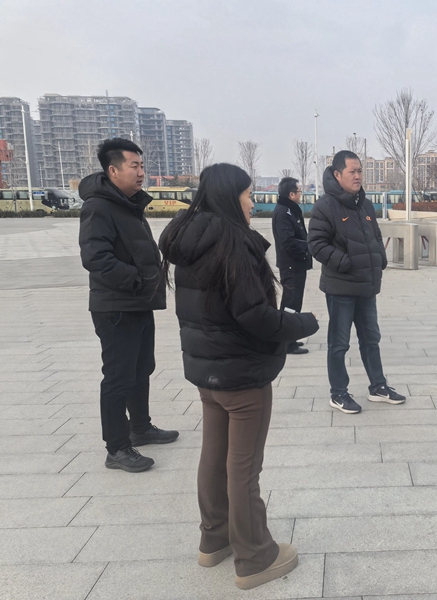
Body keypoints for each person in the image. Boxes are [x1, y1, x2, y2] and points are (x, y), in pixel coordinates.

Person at [159, 163, 318, 590]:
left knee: (214, 456)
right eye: (248, 195)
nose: (252, 203)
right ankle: (254, 556)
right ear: (231, 197)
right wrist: (302, 323)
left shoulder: (189, 237)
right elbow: (256, 316)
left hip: (207, 371)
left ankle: (214, 539)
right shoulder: (232, 244)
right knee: (243, 468)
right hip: (243, 375)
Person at [78, 138, 178, 473]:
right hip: (116, 306)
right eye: (134, 166)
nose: (141, 173)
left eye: (142, 166)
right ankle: (117, 448)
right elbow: (96, 258)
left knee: (141, 368)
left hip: (138, 302)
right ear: (113, 170)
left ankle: (141, 427)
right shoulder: (99, 207)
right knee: (118, 376)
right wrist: (137, 279)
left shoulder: (127, 204)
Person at [307, 150, 405, 414]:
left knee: (371, 338)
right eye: (352, 171)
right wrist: (346, 263)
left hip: (366, 286)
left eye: (360, 171)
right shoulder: (326, 206)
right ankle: (338, 393)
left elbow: (376, 235)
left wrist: (380, 258)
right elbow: (316, 244)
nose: (358, 176)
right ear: (337, 174)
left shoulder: (365, 204)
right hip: (341, 287)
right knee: (339, 343)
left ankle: (378, 387)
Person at [272, 176, 313, 355]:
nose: (300, 194)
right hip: (291, 265)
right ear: (291, 194)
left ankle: (290, 337)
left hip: (297, 264)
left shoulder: (290, 210)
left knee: (294, 302)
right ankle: (287, 342)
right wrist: (308, 246)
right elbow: (287, 242)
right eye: (299, 191)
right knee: (290, 302)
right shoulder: (283, 213)